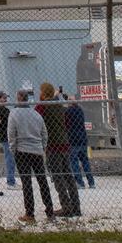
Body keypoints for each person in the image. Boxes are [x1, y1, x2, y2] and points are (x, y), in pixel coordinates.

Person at [7, 85, 54, 223]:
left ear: (18, 98)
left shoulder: (14, 114)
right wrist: (42, 146)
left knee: (26, 182)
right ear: (27, 99)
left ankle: (30, 213)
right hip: (37, 151)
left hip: (22, 151)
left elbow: (11, 134)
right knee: (42, 181)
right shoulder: (36, 114)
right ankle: (50, 211)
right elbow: (44, 133)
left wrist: (13, 149)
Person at [37, 82, 82, 218]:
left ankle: (66, 207)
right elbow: (67, 123)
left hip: (53, 145)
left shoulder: (44, 106)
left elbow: (36, 111)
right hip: (64, 144)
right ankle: (76, 206)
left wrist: (49, 98)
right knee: (68, 176)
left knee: (58, 177)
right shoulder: (60, 106)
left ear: (43, 93)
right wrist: (55, 97)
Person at [64, 92, 96, 190]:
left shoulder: (67, 112)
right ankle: (91, 182)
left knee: (74, 162)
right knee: (85, 161)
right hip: (82, 138)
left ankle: (80, 183)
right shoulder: (80, 110)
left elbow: (66, 122)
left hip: (73, 139)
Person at [0, 92, 16, 191]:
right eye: (3, 98)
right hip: (5, 137)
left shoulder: (5, 110)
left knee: (11, 159)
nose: (5, 100)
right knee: (9, 159)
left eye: (6, 98)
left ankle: (11, 180)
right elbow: (1, 122)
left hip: (8, 137)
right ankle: (10, 182)